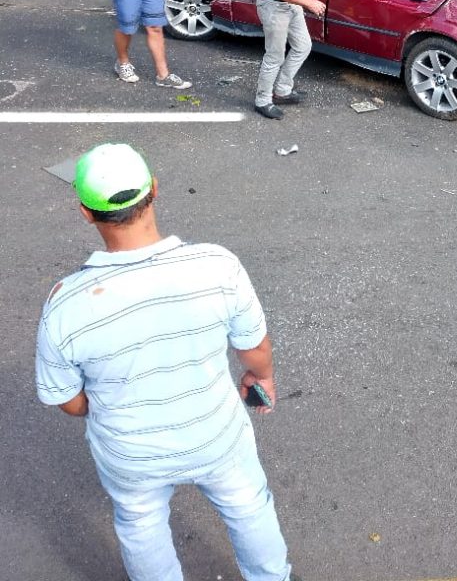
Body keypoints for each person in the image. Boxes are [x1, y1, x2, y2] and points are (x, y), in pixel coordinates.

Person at [35, 142, 291, 581]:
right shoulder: (217, 265)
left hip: (131, 453)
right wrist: (260, 375)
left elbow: (70, 402)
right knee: (249, 507)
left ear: (86, 212)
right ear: (154, 189)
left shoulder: (64, 304)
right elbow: (254, 349)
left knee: (140, 525)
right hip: (216, 434)